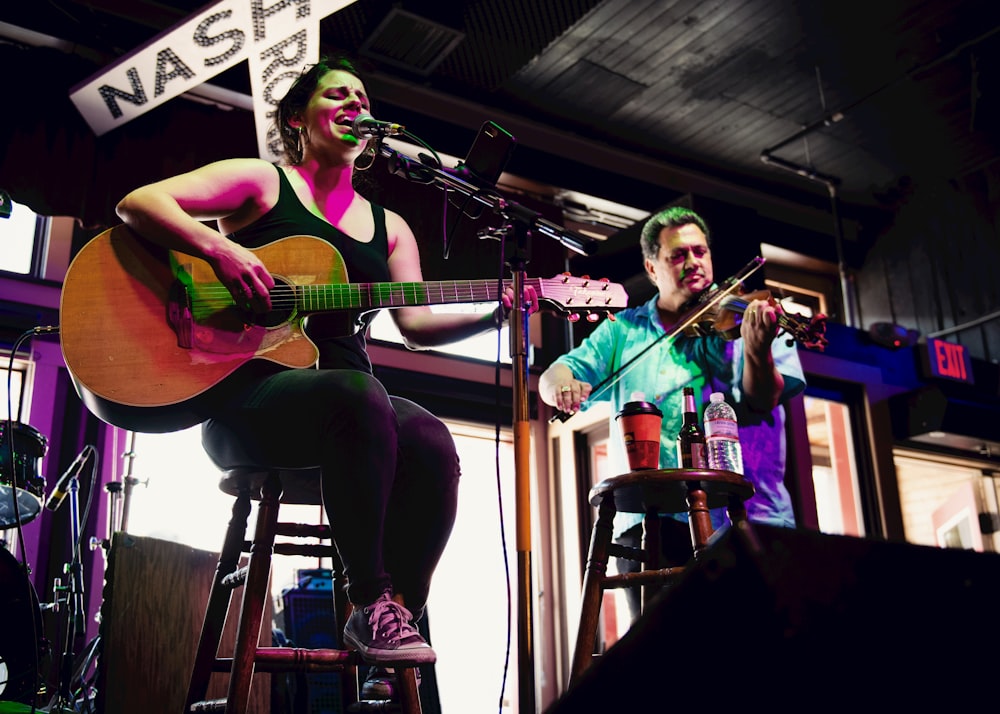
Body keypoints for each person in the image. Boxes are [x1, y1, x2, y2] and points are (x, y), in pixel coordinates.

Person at [116, 55, 536, 701]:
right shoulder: (261, 183)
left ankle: (393, 620)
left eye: (362, 96)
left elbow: (416, 325)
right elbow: (139, 202)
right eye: (336, 94)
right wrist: (221, 250)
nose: (353, 104)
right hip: (248, 402)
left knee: (429, 440)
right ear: (296, 119)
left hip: (351, 413)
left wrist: (496, 312)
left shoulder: (390, 227)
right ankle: (368, 598)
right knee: (360, 396)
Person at [538, 205, 805, 619]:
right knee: (666, 665)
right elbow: (554, 375)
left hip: (749, 513)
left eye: (700, 252)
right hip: (654, 518)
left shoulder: (745, 316)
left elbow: (762, 399)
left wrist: (756, 349)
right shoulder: (623, 332)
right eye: (677, 255)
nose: (693, 263)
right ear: (651, 266)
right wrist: (561, 386)